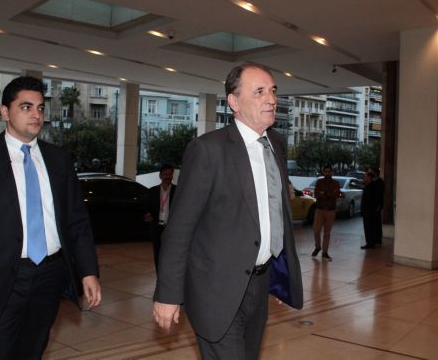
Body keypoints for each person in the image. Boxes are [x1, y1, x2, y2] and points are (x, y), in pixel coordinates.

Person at [0, 76, 102, 359]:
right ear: (5, 111)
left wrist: (88, 271)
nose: (36, 114)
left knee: (32, 352)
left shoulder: (59, 159)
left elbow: (77, 221)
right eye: (26, 107)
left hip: (49, 277)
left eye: (40, 108)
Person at [152, 63, 303, 359]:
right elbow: (180, 228)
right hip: (216, 290)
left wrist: (280, 277)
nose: (271, 99)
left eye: (273, 91)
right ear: (234, 102)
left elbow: (274, 213)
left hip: (260, 284)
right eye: (259, 92)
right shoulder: (208, 149)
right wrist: (168, 295)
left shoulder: (276, 143)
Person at [144, 163, 177, 272]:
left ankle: (169, 275)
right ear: (160, 175)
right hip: (156, 228)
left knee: (171, 255)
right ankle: (160, 277)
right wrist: (148, 214)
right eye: (165, 174)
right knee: (158, 254)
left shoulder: (177, 191)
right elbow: (147, 207)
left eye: (170, 174)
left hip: (171, 228)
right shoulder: (152, 191)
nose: (168, 177)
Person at [311, 164, 341, 261]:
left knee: (327, 232)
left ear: (332, 172)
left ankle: (325, 252)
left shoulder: (336, 183)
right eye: (326, 171)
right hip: (319, 209)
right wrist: (328, 194)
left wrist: (324, 193)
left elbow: (336, 195)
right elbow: (316, 194)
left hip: (331, 210)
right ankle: (318, 246)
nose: (327, 173)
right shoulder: (319, 182)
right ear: (323, 172)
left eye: (329, 172)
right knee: (316, 230)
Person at [360, 168, 383, 249]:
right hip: (366, 210)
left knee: (370, 227)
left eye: (365, 176)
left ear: (369, 177)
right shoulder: (367, 186)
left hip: (371, 210)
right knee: (367, 226)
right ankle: (370, 241)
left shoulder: (374, 186)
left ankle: (370, 242)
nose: (364, 178)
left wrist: (378, 207)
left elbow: (378, 198)